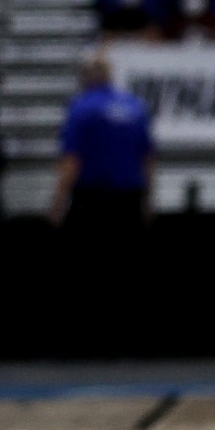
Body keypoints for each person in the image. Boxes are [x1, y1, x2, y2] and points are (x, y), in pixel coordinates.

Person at [49, 54, 156, 353]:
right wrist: (147, 201)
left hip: (92, 199)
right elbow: (148, 159)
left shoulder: (81, 109)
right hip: (128, 199)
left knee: (87, 272)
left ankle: (87, 341)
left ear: (86, 78)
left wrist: (57, 203)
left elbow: (71, 161)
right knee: (124, 272)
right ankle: (125, 340)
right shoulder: (135, 108)